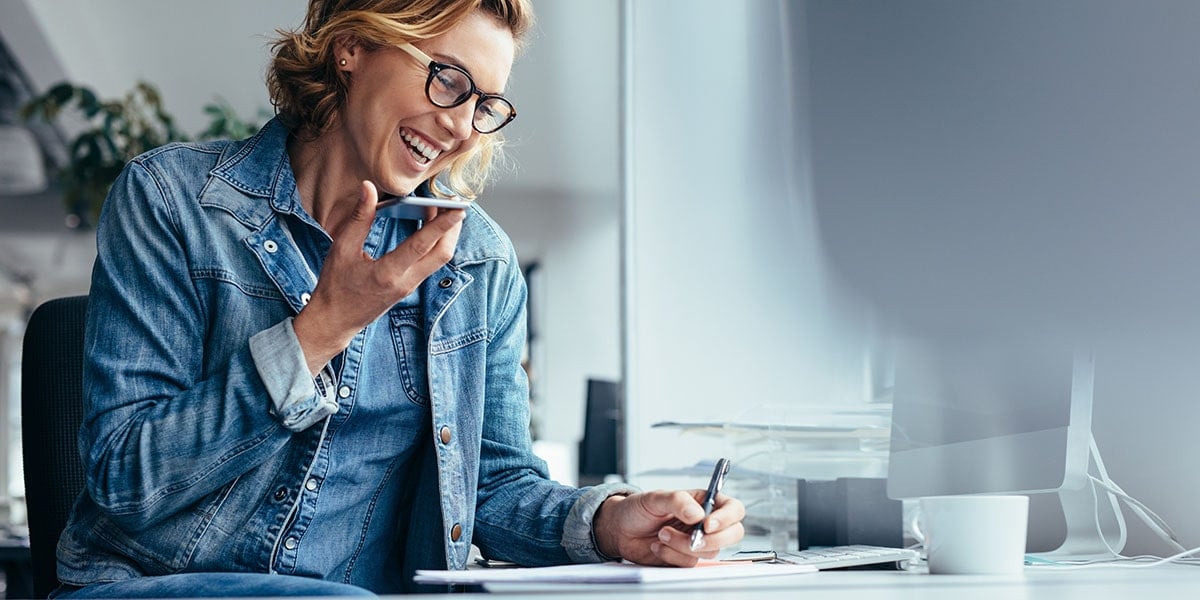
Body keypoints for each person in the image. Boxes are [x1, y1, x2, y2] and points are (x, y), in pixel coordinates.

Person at [53, 0, 745, 597]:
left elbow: (495, 490)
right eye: (448, 80)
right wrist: (320, 328)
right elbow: (127, 480)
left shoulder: (478, 262)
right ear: (352, 46)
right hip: (152, 588)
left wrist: (610, 523)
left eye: (485, 105)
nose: (463, 125)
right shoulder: (175, 200)